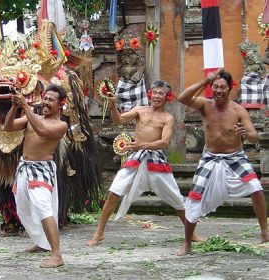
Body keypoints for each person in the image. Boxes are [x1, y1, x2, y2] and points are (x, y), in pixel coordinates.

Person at [88, 80, 199, 246]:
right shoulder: (139, 110)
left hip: (156, 159)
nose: (157, 96)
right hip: (136, 158)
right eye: (155, 92)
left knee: (176, 198)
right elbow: (119, 120)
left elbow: (165, 143)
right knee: (113, 192)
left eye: (161, 93)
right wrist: (112, 106)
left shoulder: (168, 119)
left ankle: (192, 234)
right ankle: (99, 232)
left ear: (167, 97)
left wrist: (143, 145)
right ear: (150, 94)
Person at [176, 69, 269, 256]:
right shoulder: (205, 105)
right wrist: (203, 82)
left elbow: (253, 138)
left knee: (256, 189)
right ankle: (187, 242)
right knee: (194, 199)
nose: (218, 90)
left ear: (230, 89)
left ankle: (264, 232)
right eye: (215, 87)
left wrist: (246, 133)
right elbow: (182, 98)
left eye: (223, 87)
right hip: (210, 157)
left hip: (235, 157)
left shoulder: (238, 110)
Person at [4, 84, 67, 268]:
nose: (46, 102)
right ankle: (42, 243)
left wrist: (25, 106)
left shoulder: (60, 125)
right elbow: (8, 127)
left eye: (51, 100)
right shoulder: (32, 117)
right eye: (45, 98)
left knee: (43, 207)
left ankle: (57, 255)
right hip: (24, 168)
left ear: (60, 104)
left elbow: (42, 131)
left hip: (42, 170)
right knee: (23, 208)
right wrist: (15, 107)